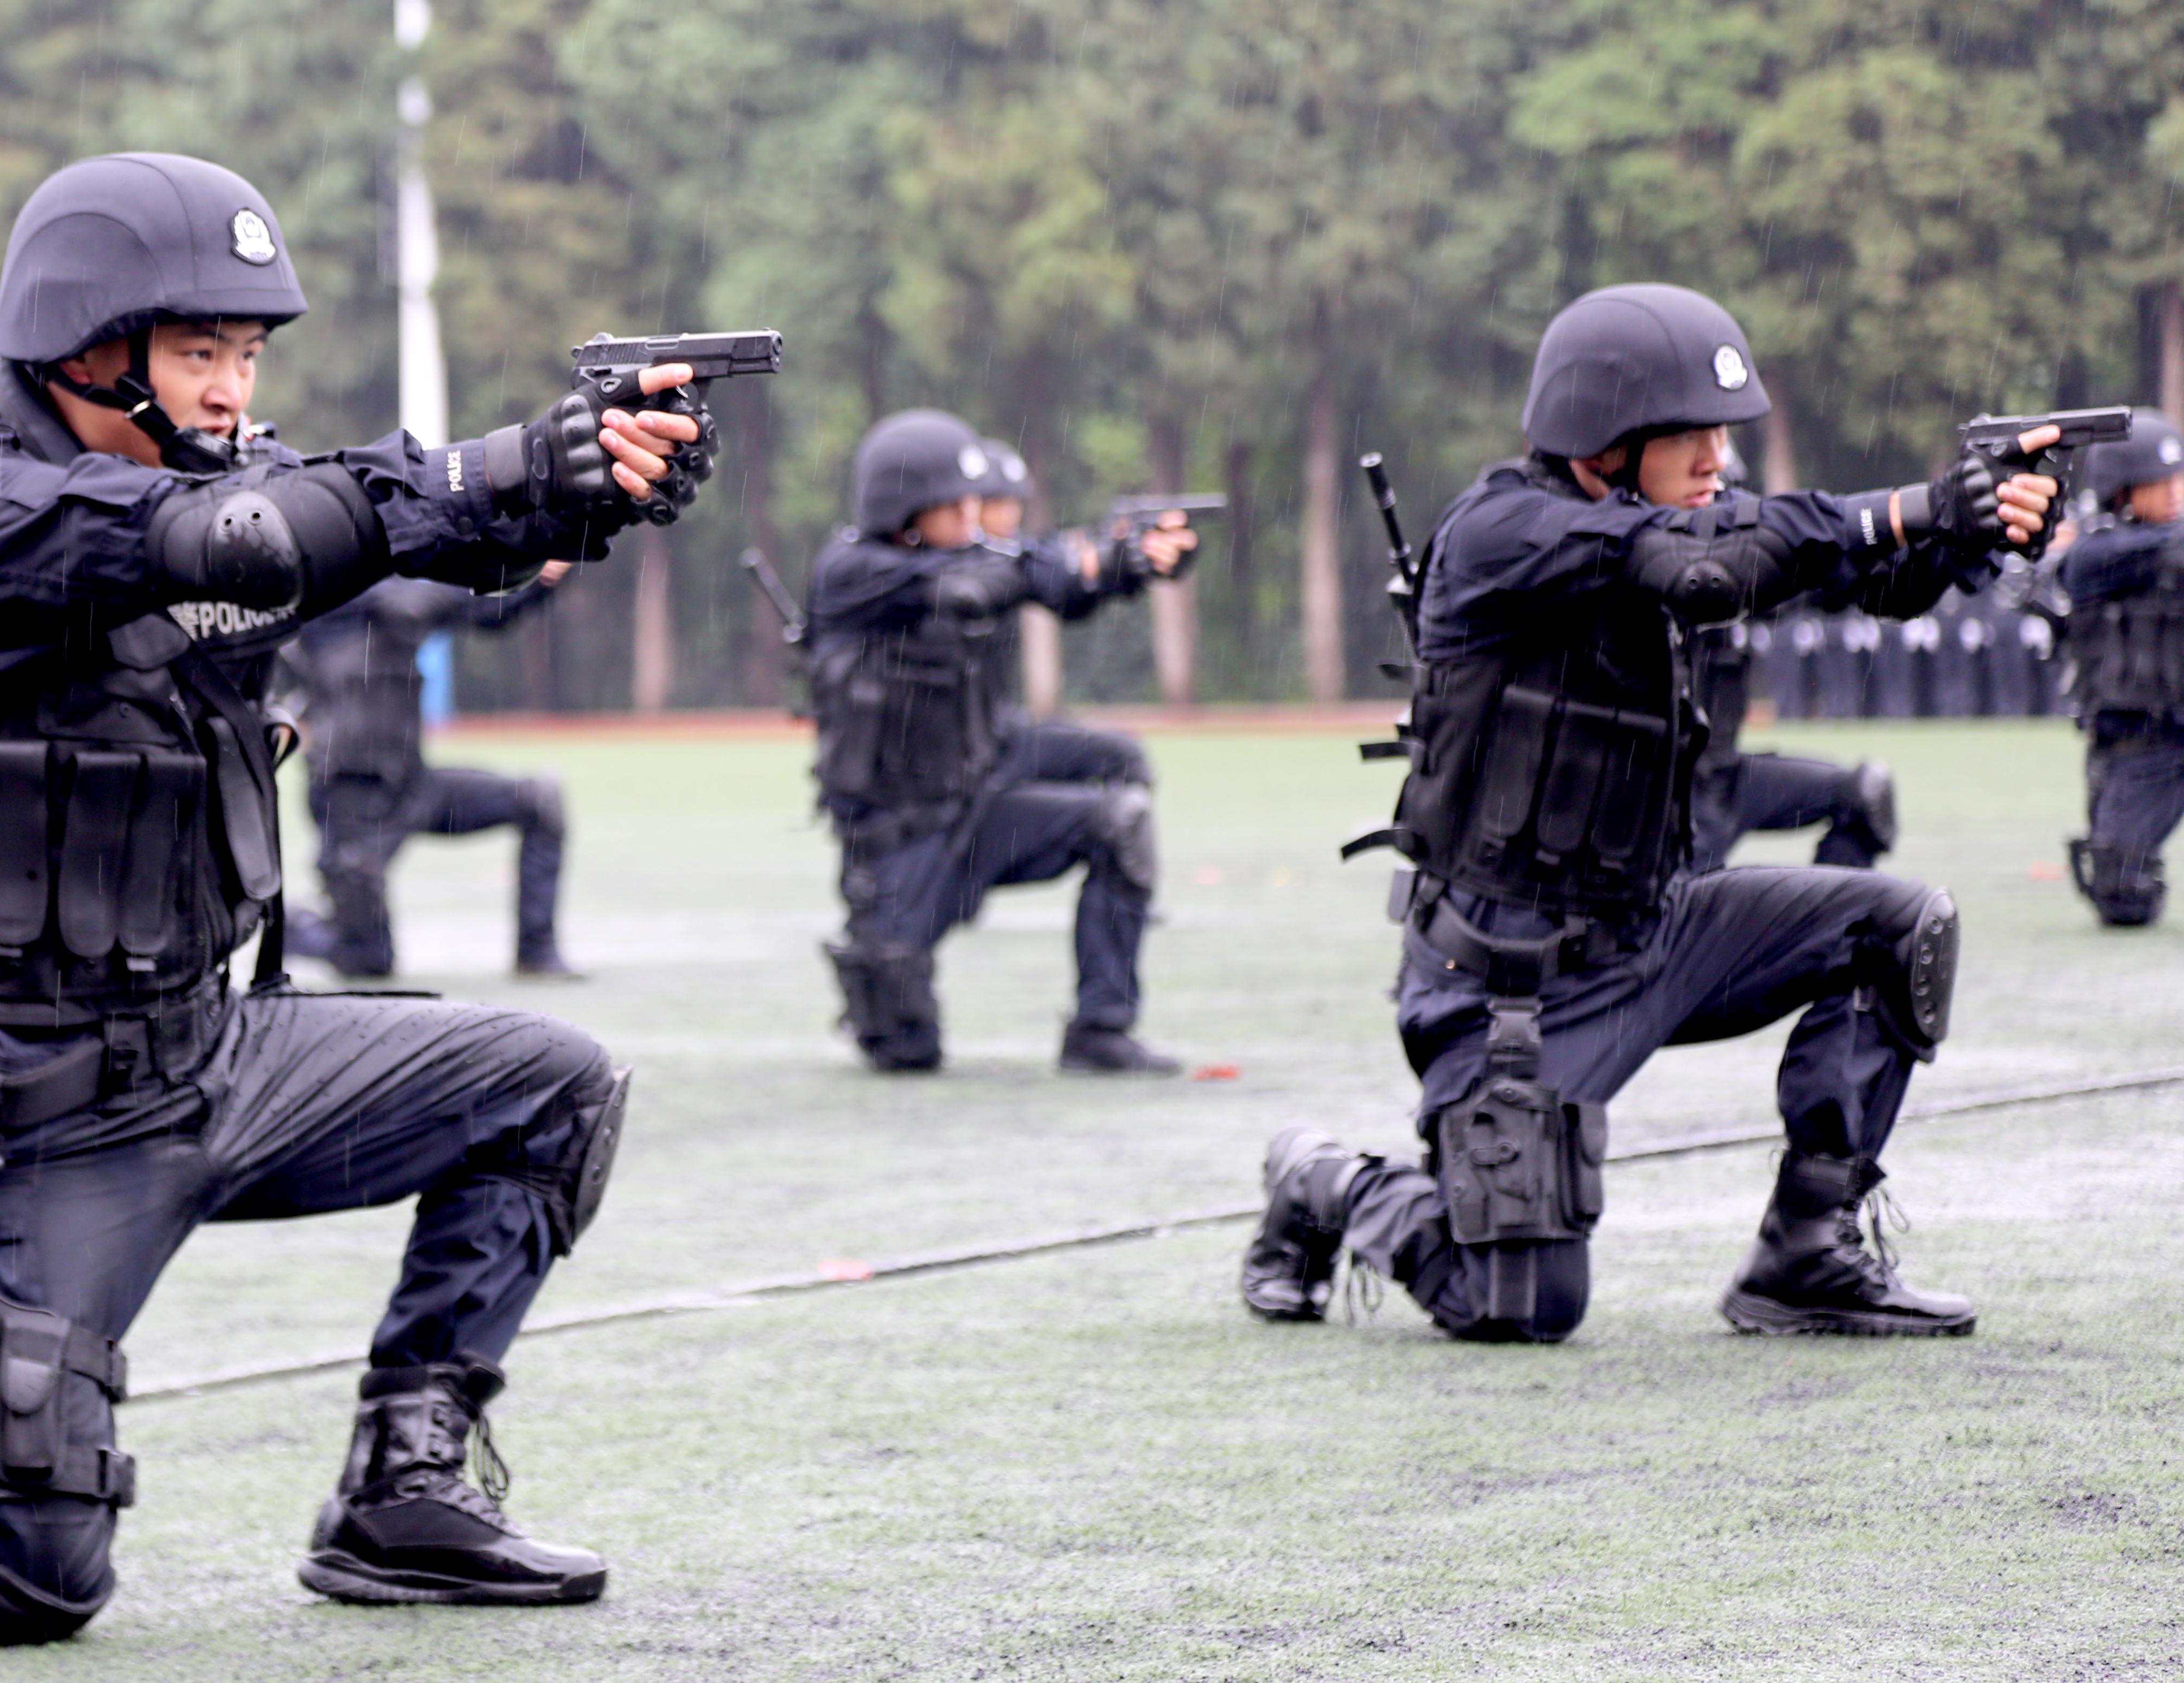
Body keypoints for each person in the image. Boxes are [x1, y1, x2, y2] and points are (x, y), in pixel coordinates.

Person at [0, 152, 715, 1642]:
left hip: (217, 1055)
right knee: (10, 1586)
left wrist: (585, 485)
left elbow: (400, 528)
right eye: (202, 352)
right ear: (87, 349)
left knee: (552, 1090)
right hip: (29, 1117)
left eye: (246, 353)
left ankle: (401, 1487)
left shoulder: (228, 474)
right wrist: (492, 465)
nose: (235, 388)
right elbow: (253, 539)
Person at [1241, 284, 2051, 1345]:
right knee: (1519, 1307)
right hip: (1505, 986)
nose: (1720, 454)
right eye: (1692, 433)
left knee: (1898, 932)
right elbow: (1708, 568)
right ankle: (1326, 1180)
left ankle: (1808, 1255)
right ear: (1602, 441)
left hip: (1654, 927)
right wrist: (1910, 504)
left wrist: (1974, 522)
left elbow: (1870, 579)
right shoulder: (1503, 531)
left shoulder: (1666, 516)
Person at [806, 410, 1196, 1077]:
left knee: (1119, 817)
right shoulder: (852, 573)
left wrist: (1126, 563)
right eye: (955, 504)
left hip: (983, 801)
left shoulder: (970, 553)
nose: (973, 515)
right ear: (905, 512)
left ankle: (1101, 1029)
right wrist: (1071, 559)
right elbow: (976, 584)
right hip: (904, 841)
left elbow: (1046, 581)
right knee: (906, 1051)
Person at [281, 560, 577, 981]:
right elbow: (403, 602)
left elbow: (492, 616)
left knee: (540, 801)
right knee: (368, 961)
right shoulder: (321, 606)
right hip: (351, 803)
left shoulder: (400, 596)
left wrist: (545, 576)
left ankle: (537, 953)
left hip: (413, 787)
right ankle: (293, 928)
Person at [1687, 454, 1896, 873]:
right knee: (1681, 916)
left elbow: (1819, 583)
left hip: (1725, 780)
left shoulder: (1742, 571)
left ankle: (1828, 929)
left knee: (1865, 795)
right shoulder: (1639, 569)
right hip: (1667, 797)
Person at [2056, 408, 2184, 925]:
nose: (2176, 490)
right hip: (2145, 745)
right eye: (2160, 481)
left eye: (2179, 477)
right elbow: (2161, 554)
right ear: (2122, 490)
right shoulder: (2095, 555)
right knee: (2123, 893)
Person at [973, 439, 1157, 790]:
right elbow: (1050, 574)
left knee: (1118, 756)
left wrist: (1116, 565)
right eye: (996, 503)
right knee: (1117, 763)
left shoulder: (1014, 556)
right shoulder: (957, 566)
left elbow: (1064, 585)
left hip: (999, 731)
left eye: (1015, 502)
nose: (1010, 513)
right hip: (969, 751)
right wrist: (1091, 567)